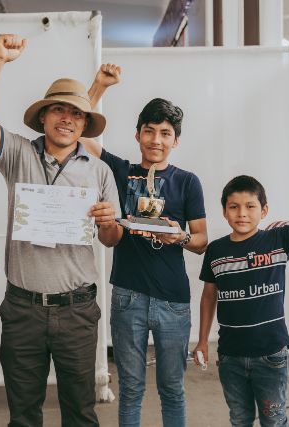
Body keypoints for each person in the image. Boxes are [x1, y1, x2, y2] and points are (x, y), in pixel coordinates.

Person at [0, 35, 122, 427]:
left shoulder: (99, 170)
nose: (66, 118)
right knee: (22, 416)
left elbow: (112, 239)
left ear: (84, 123)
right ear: (43, 117)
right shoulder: (18, 154)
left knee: (81, 415)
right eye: (58, 109)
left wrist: (108, 225)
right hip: (23, 310)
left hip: (78, 311)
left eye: (76, 113)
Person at [82, 65, 209, 427]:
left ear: (176, 140)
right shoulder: (120, 172)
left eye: (165, 133)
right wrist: (100, 85)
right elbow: (82, 137)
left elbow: (201, 241)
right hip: (128, 296)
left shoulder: (187, 182)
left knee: (172, 389)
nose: (156, 139)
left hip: (173, 300)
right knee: (132, 388)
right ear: (137, 135)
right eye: (149, 131)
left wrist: (179, 236)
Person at [193, 154, 289, 427]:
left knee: (274, 420)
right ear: (224, 211)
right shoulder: (217, 250)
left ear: (264, 210)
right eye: (234, 207)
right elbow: (209, 296)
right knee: (239, 419)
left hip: (271, 354)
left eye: (250, 206)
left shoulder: (279, 240)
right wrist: (201, 341)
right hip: (230, 355)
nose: (242, 213)